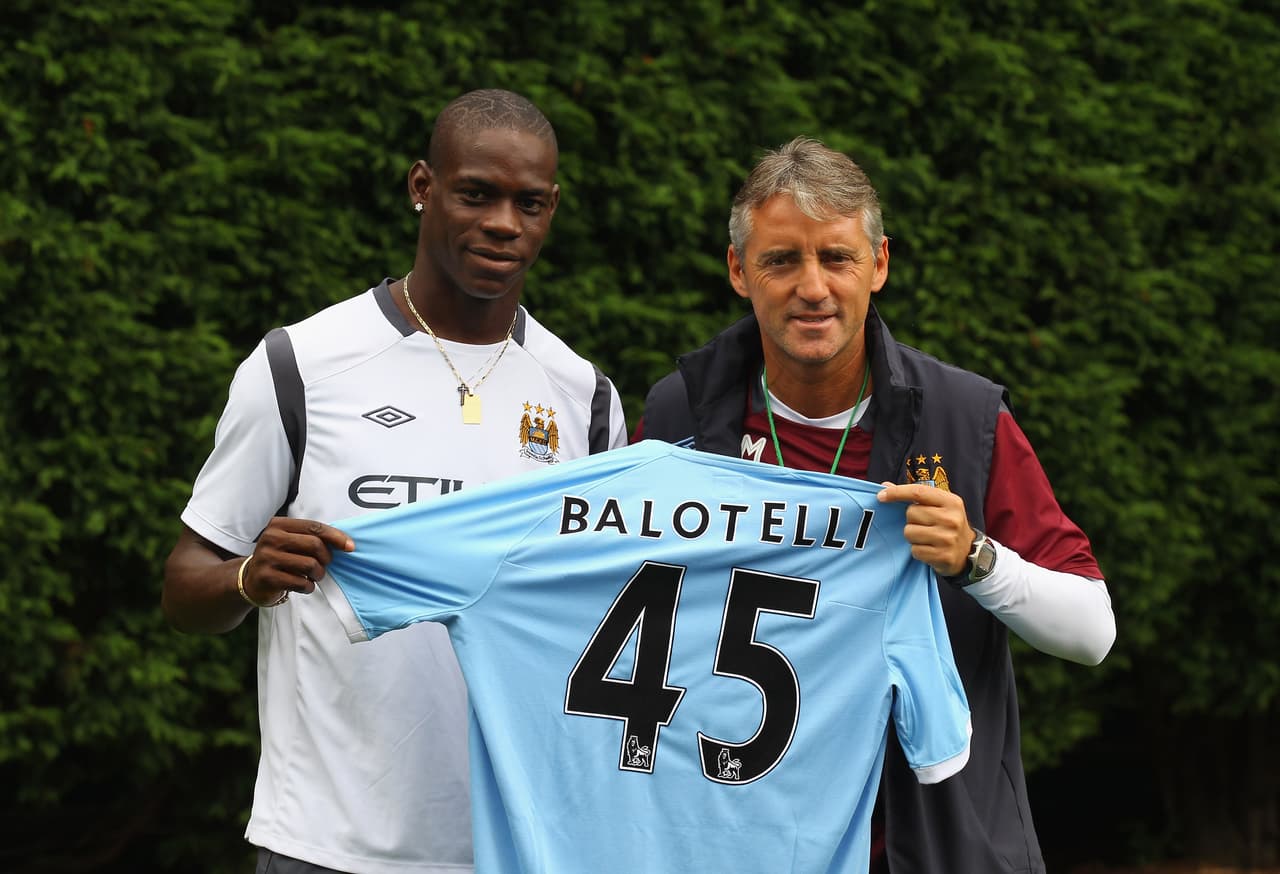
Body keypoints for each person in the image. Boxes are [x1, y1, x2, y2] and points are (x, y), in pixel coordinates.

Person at [163, 89, 627, 874]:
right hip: (324, 844)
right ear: (423, 187)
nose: (504, 224)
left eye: (531, 203)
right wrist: (249, 578)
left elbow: (603, 625)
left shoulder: (584, 399)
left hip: (515, 845)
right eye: (476, 194)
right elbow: (183, 589)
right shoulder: (300, 366)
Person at [635, 136, 1116, 873]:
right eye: (781, 259)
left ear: (879, 265)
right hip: (727, 842)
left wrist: (976, 560)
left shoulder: (965, 418)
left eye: (837, 258)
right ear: (739, 271)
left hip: (926, 848)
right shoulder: (679, 418)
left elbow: (1092, 632)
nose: (813, 287)